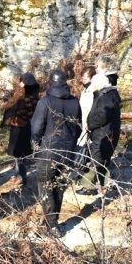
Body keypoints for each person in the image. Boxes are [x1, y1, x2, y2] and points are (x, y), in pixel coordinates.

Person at [31, 70, 81, 232]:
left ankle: (51, 225)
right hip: (68, 152)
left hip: (48, 151)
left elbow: (36, 128)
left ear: (50, 83)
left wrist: (35, 146)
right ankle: (53, 220)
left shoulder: (45, 102)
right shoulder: (75, 102)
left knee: (46, 187)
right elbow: (78, 128)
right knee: (59, 187)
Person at [85, 73, 121, 192]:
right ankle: (102, 184)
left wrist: (90, 124)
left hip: (103, 133)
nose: (92, 85)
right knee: (102, 159)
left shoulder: (106, 97)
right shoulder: (109, 94)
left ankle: (92, 187)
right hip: (106, 132)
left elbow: (102, 116)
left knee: (98, 159)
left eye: (93, 83)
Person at [1, 72, 40, 186]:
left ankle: (21, 176)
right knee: (22, 154)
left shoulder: (21, 98)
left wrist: (9, 121)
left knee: (19, 154)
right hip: (30, 129)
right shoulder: (36, 98)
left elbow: (9, 112)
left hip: (20, 129)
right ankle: (19, 174)